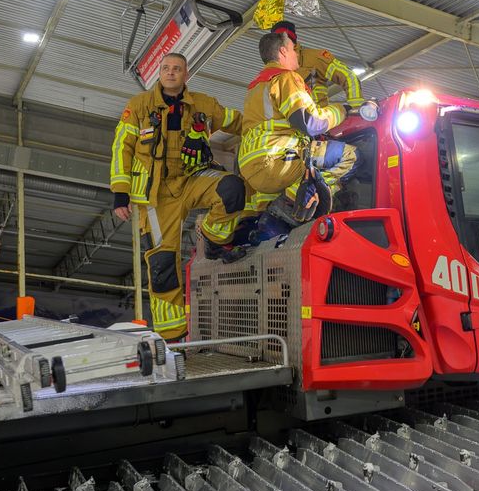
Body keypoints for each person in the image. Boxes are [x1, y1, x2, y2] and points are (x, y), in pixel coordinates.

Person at [110, 52, 245, 341]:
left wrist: (272, 127)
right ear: (159, 73)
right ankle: (171, 336)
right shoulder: (138, 105)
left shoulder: (204, 104)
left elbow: (239, 122)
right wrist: (121, 193)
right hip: (156, 196)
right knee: (162, 264)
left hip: (192, 179)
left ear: (186, 74)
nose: (170, 73)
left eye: (177, 69)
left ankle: (213, 238)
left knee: (232, 189)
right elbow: (122, 147)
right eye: (166, 68)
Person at [238, 32, 357, 226]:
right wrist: (342, 110)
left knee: (309, 162)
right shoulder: (286, 78)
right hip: (275, 162)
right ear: (283, 51)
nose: (297, 54)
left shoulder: (255, 88)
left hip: (252, 169)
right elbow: (311, 123)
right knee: (350, 155)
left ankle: (283, 207)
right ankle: (296, 199)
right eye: (294, 49)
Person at [270, 20, 364, 108]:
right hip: (290, 119)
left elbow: (348, 76)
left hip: (317, 117)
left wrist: (356, 108)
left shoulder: (316, 58)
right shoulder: (271, 70)